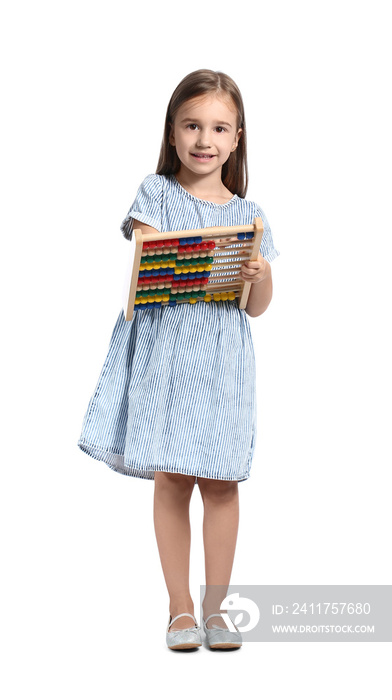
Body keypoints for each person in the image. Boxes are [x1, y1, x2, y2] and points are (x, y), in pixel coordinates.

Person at [77, 69, 279, 650]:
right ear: (172, 132)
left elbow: (258, 307)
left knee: (220, 482)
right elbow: (148, 260)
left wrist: (257, 274)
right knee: (171, 478)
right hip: (166, 356)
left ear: (237, 138)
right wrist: (180, 257)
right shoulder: (156, 193)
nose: (204, 140)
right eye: (191, 125)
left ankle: (218, 610)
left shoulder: (251, 213)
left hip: (220, 363)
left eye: (218, 127)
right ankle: (180, 609)